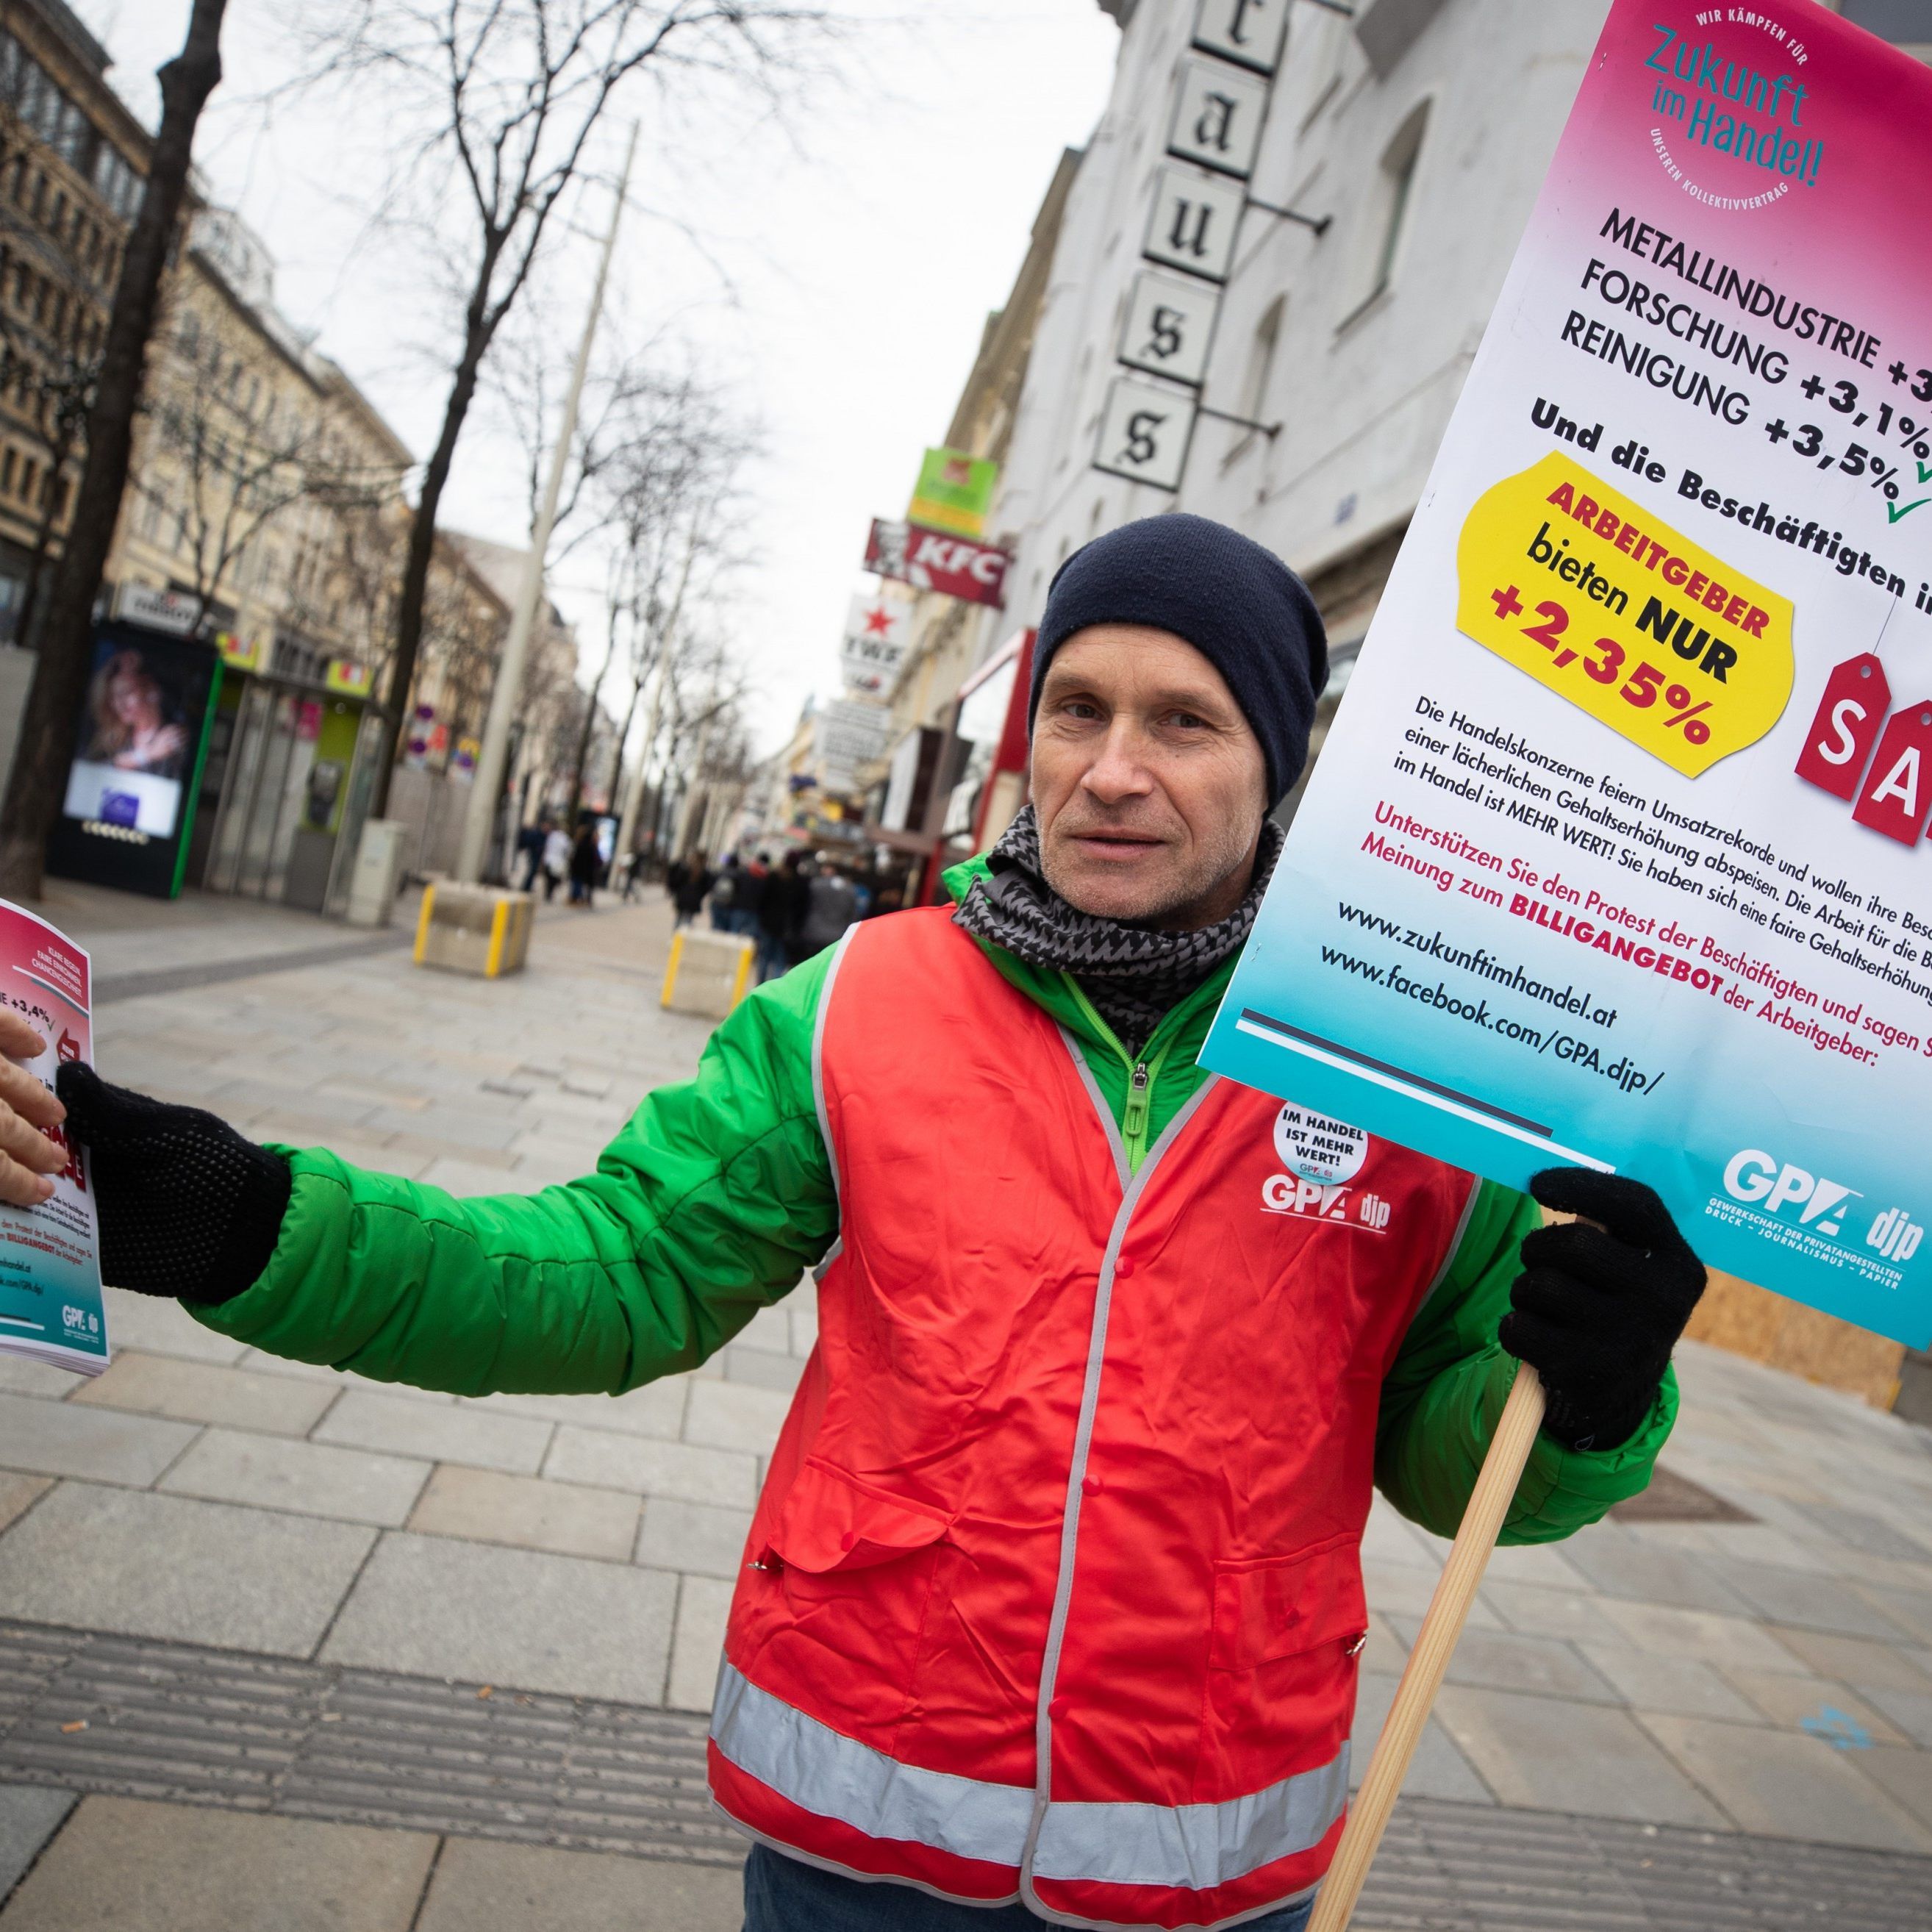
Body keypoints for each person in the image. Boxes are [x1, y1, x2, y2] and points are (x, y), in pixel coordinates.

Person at [24, 515, 1705, 1932]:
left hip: (1218, 1856)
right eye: (1076, 709)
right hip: (862, 1847)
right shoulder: (856, 1007)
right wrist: (249, 1224)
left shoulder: (1417, 1081)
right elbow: (614, 1274)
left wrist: (1597, 1390)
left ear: (1278, 761)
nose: (1110, 771)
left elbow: (1447, 1456)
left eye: (1182, 722)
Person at [83, 648, 188, 779]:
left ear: (151, 690)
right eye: (114, 698)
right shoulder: (112, 741)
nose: (119, 705)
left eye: (126, 693)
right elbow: (89, 773)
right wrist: (146, 755)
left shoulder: (174, 737)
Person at [795, 854, 857, 959]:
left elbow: (804, 906)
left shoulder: (816, 884)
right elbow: (853, 915)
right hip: (837, 936)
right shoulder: (850, 889)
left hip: (813, 932)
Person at [672, 854, 714, 926]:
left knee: (679, 919)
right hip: (694, 899)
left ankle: (677, 937)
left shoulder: (686, 869)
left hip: (682, 897)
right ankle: (683, 935)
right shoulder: (705, 873)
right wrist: (700, 894)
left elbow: (676, 882)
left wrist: (678, 892)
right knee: (688, 920)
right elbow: (708, 887)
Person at [568, 817, 599, 908]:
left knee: (577, 883)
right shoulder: (590, 846)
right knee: (579, 884)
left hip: (579, 868)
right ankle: (579, 898)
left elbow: (576, 857)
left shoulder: (581, 845)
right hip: (585, 869)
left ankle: (576, 898)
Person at [541, 821, 571, 904]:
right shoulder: (564, 839)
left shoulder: (553, 836)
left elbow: (547, 847)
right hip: (557, 861)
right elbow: (567, 851)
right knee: (553, 878)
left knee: (550, 878)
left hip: (551, 860)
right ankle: (549, 892)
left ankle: (548, 892)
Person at [515, 818, 547, 895]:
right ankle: (526, 887)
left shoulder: (544, 836)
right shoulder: (536, 834)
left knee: (533, 872)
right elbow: (530, 842)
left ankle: (527, 886)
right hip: (533, 854)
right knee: (532, 871)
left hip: (537, 855)